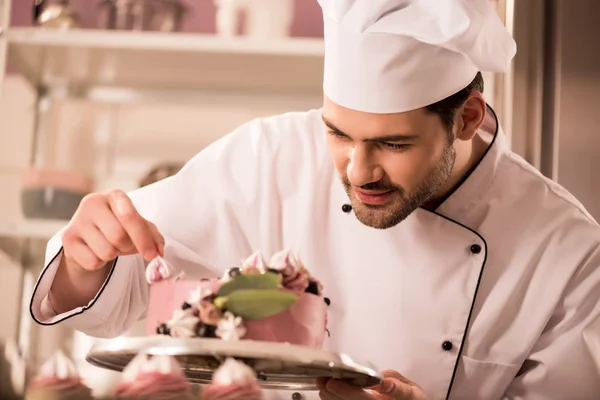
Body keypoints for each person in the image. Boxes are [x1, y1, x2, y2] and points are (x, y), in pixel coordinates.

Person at [29, 0, 600, 399]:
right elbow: (122, 296)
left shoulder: (566, 252)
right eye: (337, 132)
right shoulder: (269, 155)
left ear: (467, 119)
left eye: (392, 144)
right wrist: (87, 258)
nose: (357, 170)